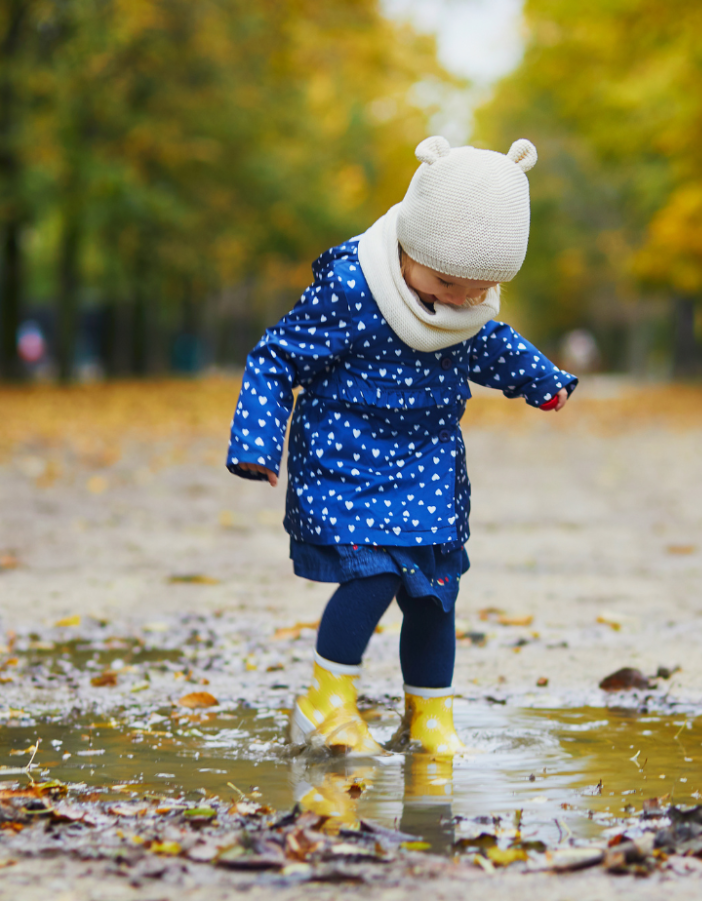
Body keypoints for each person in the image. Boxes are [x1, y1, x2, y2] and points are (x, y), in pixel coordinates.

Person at [227, 135, 576, 757]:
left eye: (478, 289)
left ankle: (430, 720)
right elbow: (277, 357)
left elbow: (491, 347)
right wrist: (259, 439)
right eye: (445, 281)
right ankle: (324, 705)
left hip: (429, 466)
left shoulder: (464, 307)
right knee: (374, 575)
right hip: (346, 461)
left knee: (435, 595)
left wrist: (543, 380)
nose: (459, 300)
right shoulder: (351, 289)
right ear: (410, 248)